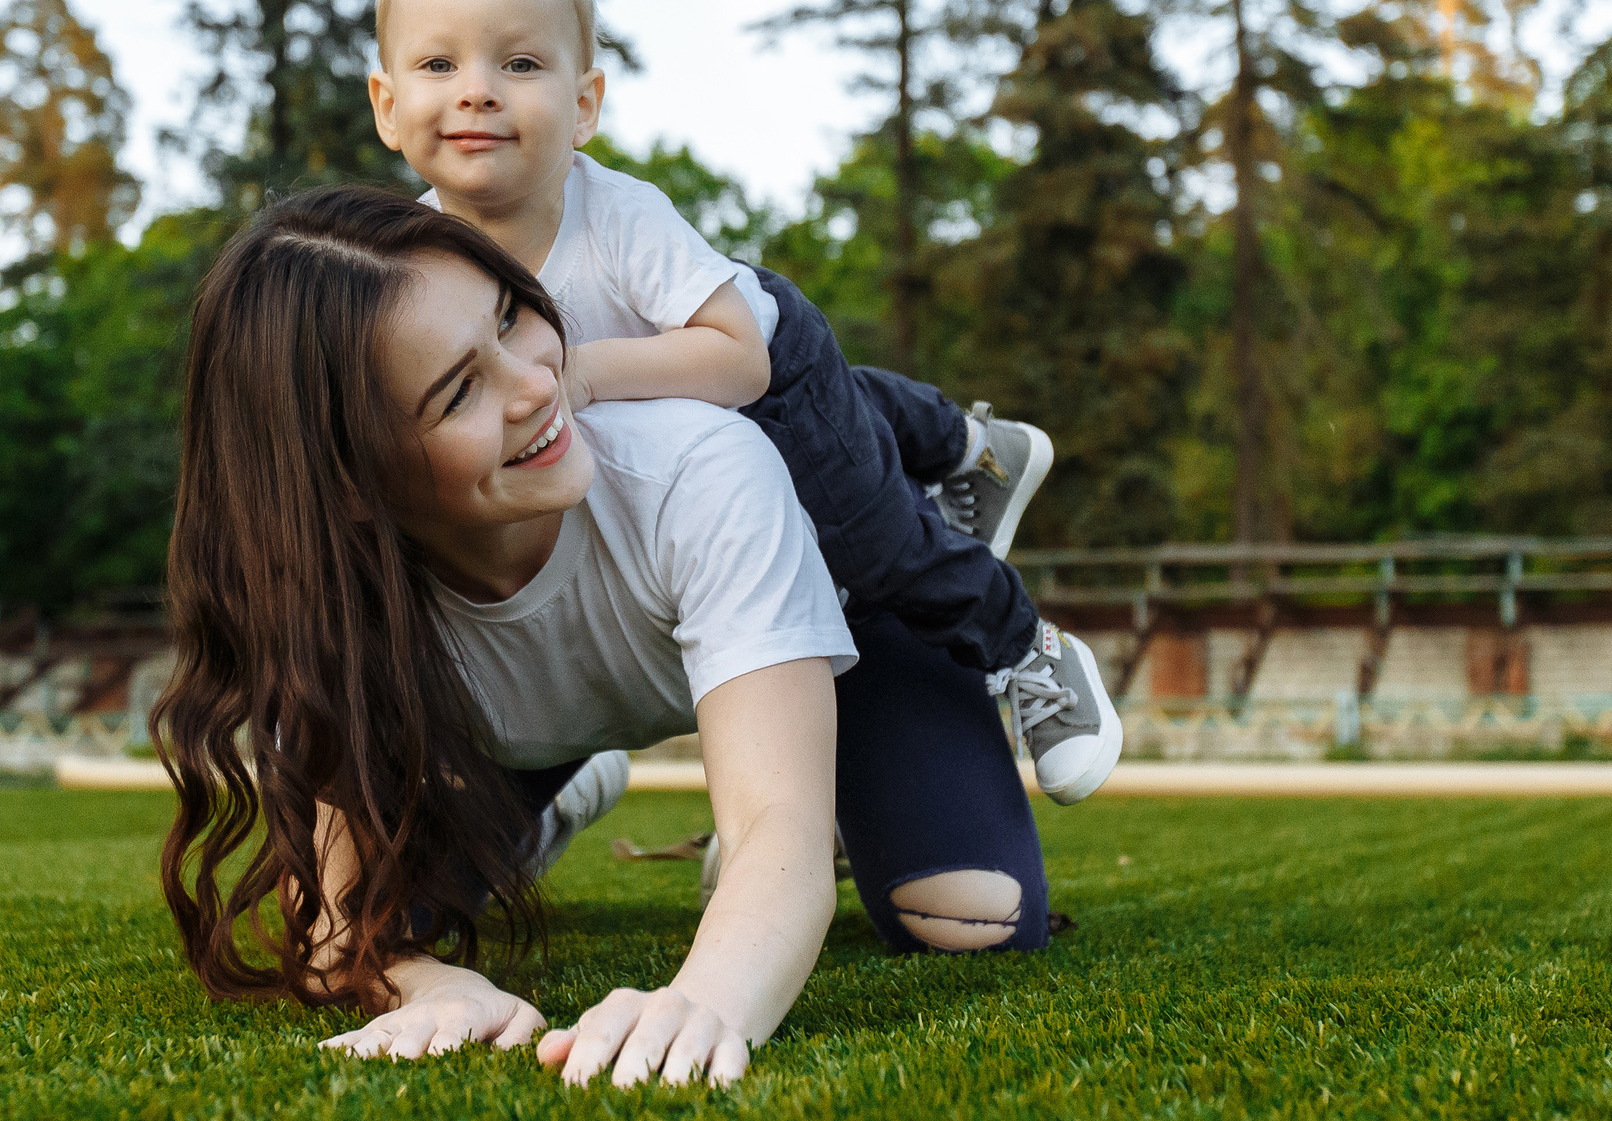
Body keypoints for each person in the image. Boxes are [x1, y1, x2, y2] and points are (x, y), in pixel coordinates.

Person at [155, 187, 1057, 1088]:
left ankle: (825, 760)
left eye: (511, 316)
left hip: (855, 617)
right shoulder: (334, 610)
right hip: (517, 728)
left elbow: (778, 825)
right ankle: (559, 781)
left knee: (973, 919)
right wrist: (427, 988)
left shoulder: (701, 467)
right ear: (350, 482)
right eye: (461, 389)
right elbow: (333, 933)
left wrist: (707, 998)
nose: (540, 384)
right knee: (402, 912)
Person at [362, 0, 1119, 802]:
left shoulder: (618, 216)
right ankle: (958, 440)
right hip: (641, 437)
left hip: (757, 370)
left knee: (870, 547)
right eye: (438, 65)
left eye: (520, 65)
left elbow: (740, 362)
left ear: (584, 106)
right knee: (852, 447)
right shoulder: (410, 267)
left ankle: (1028, 646)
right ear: (384, 104)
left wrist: (591, 372)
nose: (477, 92)